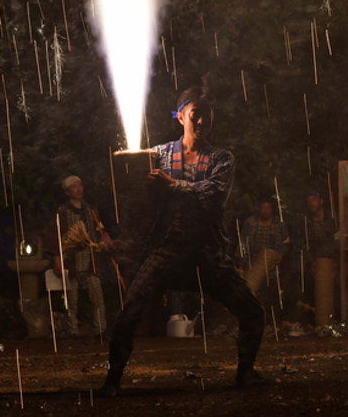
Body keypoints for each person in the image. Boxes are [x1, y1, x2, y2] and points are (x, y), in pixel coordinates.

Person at [97, 87, 267, 396]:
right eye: (195, 114)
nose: (201, 121)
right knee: (128, 313)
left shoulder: (221, 159)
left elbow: (213, 196)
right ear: (179, 117)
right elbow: (137, 203)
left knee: (253, 311)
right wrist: (126, 240)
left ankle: (246, 373)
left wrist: (172, 184)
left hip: (208, 253)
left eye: (207, 116)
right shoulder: (157, 156)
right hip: (168, 250)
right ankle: (112, 382)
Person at [50, 175, 112, 338]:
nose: (79, 189)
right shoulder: (62, 212)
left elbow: (100, 228)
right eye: (75, 187)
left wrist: (104, 236)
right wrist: (57, 258)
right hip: (71, 261)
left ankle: (100, 329)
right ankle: (73, 330)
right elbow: (55, 235)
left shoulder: (91, 209)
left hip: (90, 259)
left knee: (97, 297)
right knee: (71, 300)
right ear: (67, 192)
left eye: (80, 186)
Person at [302, 188, 340, 326]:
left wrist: (337, 261)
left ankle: (336, 320)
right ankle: (316, 322)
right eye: (309, 201)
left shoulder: (333, 218)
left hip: (333, 261)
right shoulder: (307, 222)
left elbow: (341, 240)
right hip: (316, 263)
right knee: (313, 291)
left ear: (321, 201)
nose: (311, 204)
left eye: (314, 200)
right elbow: (305, 244)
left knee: (336, 291)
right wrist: (311, 261)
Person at [241, 198, 289, 300]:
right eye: (263, 207)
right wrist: (241, 264)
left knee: (268, 298)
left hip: (271, 268)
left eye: (268, 208)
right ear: (259, 209)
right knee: (248, 294)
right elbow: (243, 243)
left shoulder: (279, 224)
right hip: (251, 267)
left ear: (272, 209)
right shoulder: (250, 222)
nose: (265, 210)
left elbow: (286, 242)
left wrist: (280, 253)